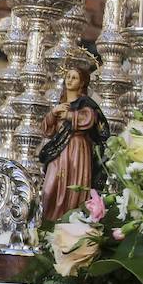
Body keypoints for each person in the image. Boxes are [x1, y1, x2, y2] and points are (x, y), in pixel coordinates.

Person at [39, 65, 109, 221]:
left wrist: (69, 115)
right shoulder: (60, 104)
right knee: (49, 188)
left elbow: (89, 119)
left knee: (73, 189)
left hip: (77, 149)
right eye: (68, 76)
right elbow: (47, 130)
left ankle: (68, 220)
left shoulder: (86, 103)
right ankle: (47, 221)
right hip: (59, 151)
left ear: (82, 83)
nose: (69, 80)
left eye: (74, 77)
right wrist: (53, 113)